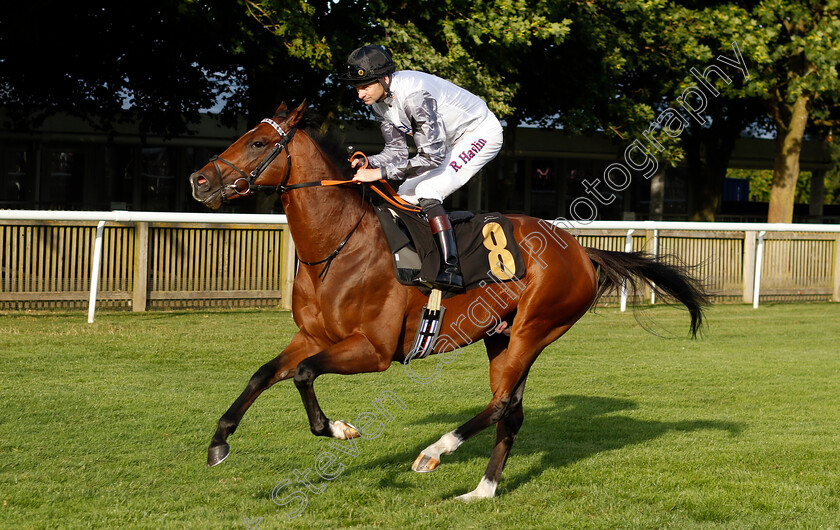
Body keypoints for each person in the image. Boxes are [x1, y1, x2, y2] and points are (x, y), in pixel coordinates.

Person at [338, 44, 504, 292]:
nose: (359, 94)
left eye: (364, 86)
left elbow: (432, 157)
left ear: (384, 79)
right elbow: (396, 152)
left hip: (480, 133)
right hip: (449, 143)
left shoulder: (415, 96)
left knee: (428, 189)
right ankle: (420, 261)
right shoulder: (379, 102)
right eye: (357, 88)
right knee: (404, 193)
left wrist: (380, 173)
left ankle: (451, 270)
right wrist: (370, 162)